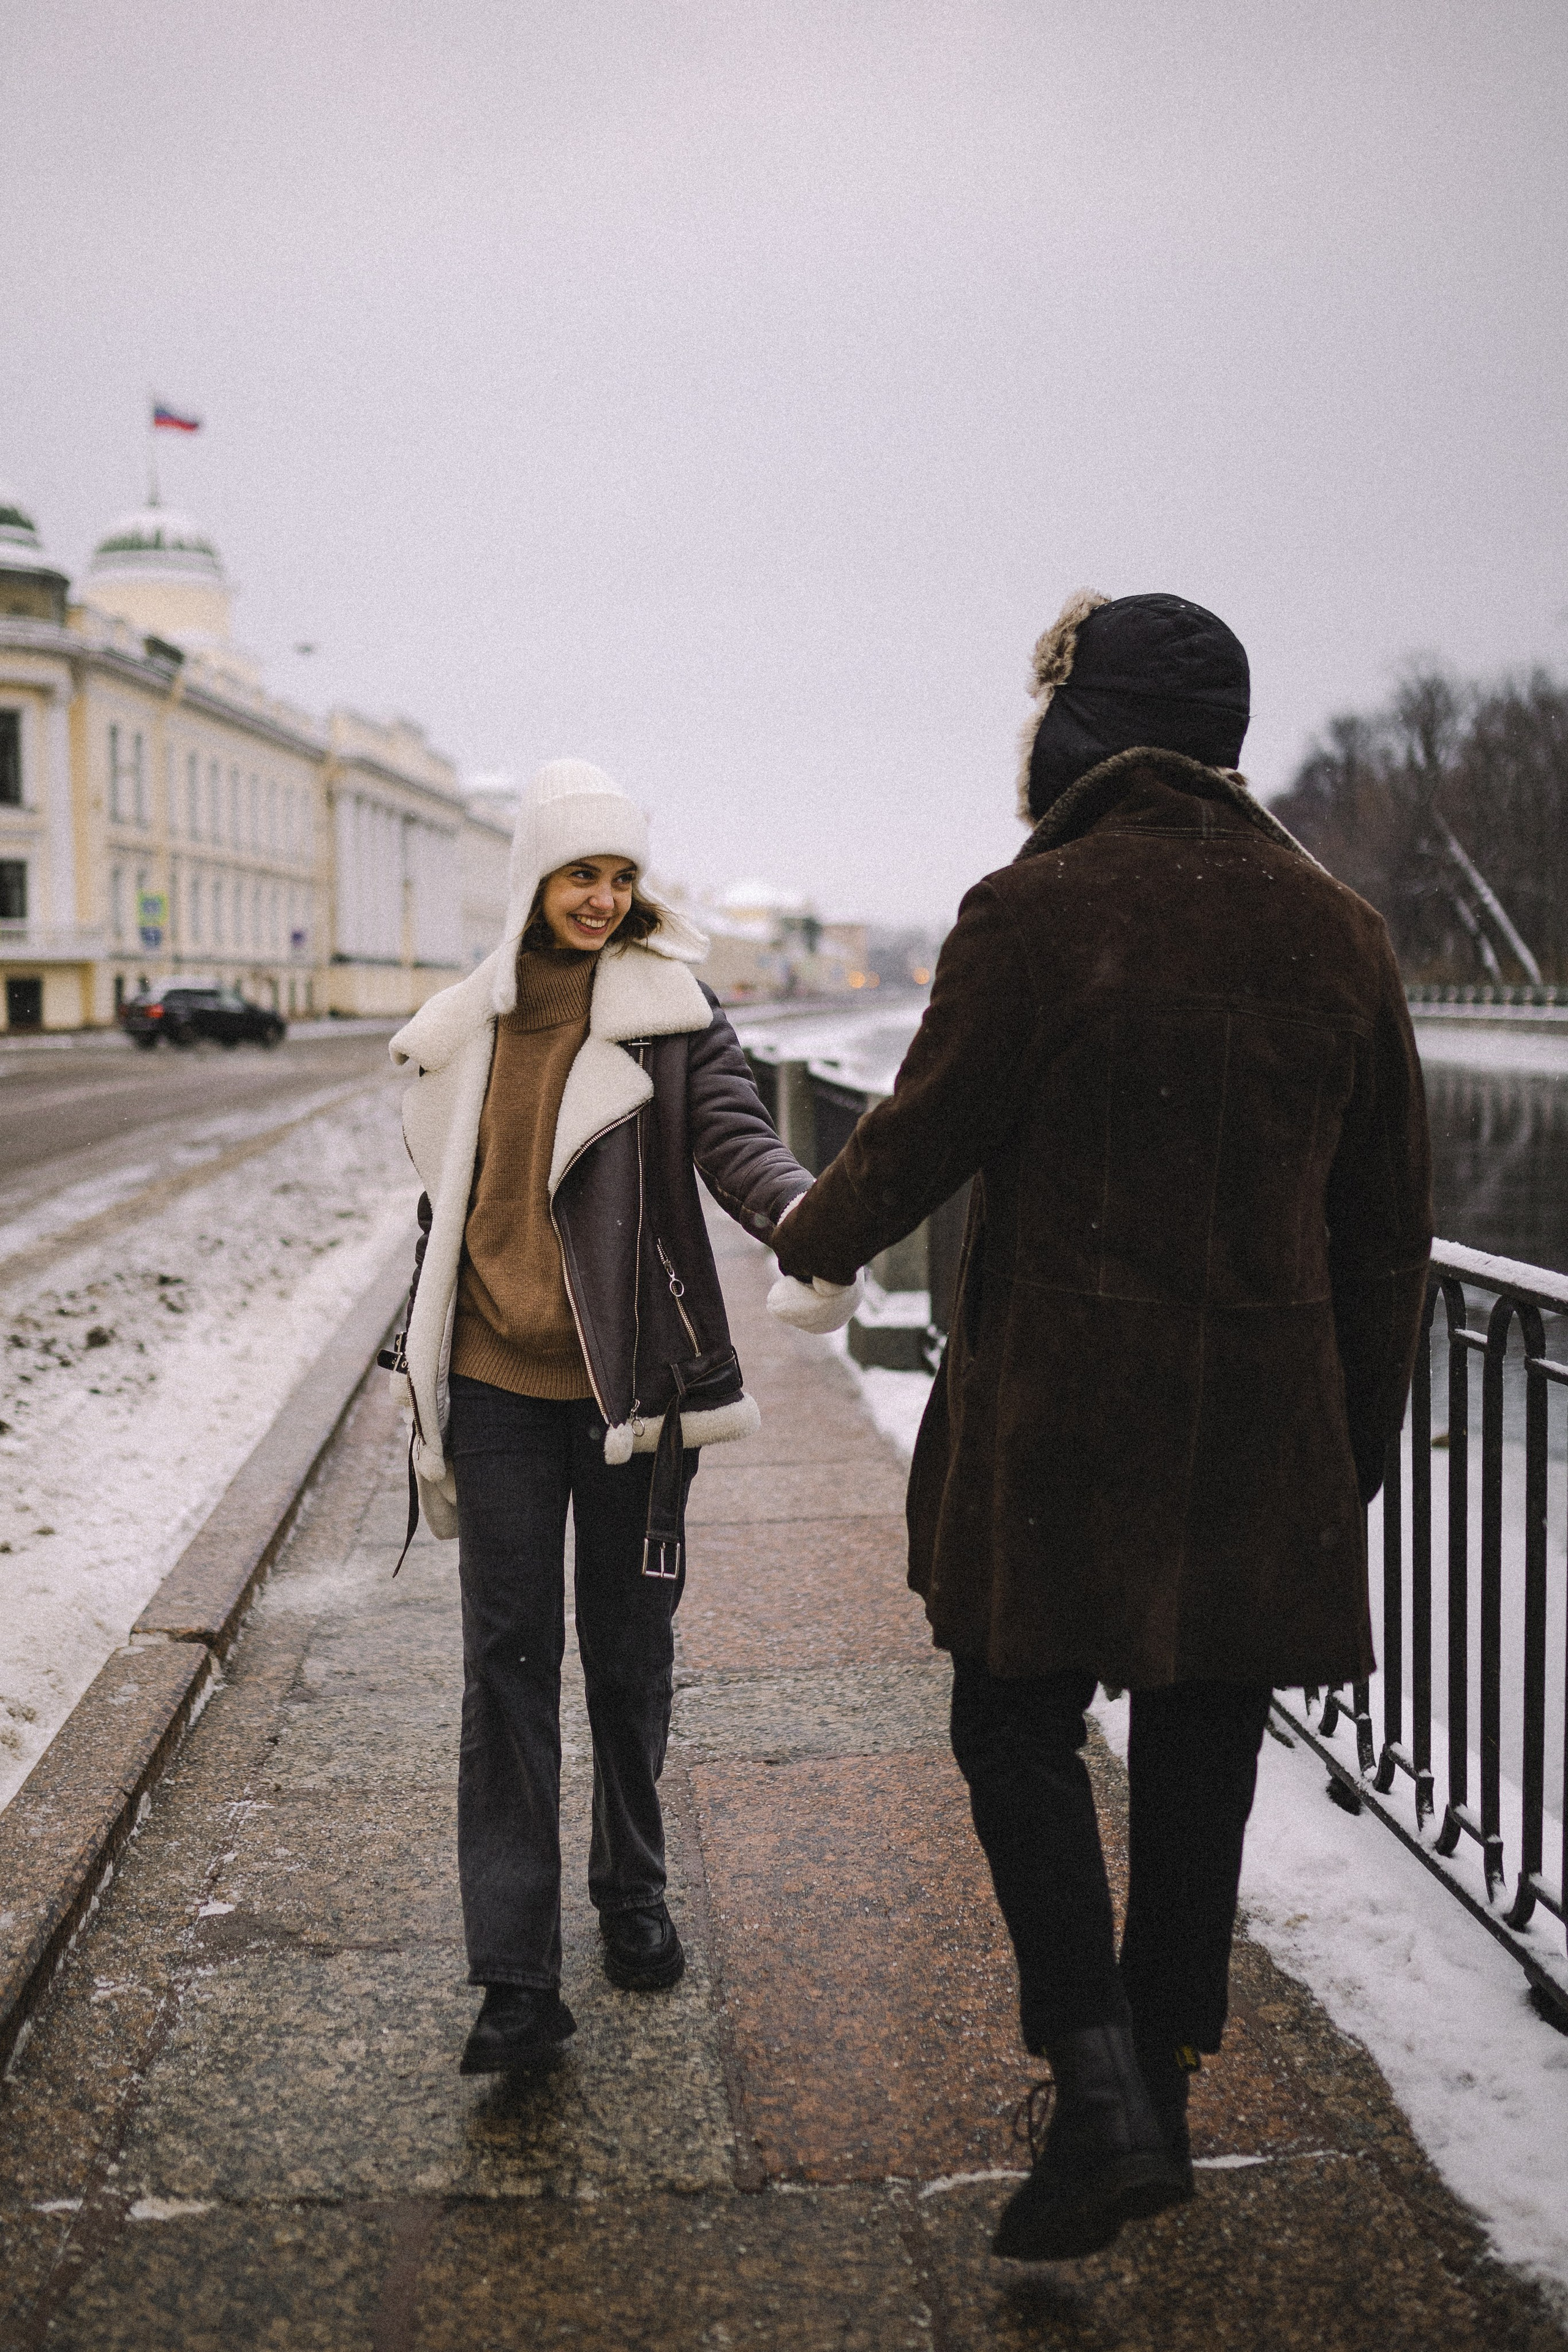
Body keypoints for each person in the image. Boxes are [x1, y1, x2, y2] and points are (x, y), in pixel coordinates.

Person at [773, 591, 1433, 2261]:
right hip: (1258, 1435)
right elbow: (1386, 1238)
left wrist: (810, 1239)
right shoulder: (1341, 933)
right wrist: (1343, 1454)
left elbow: (916, 1135)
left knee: (1013, 1724)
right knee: (1204, 1748)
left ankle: (1096, 2084)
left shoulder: (1038, 911)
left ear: (1078, 732)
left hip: (1063, 1428)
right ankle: (1165, 2083)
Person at [386, 760, 836, 2076]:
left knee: (629, 1659)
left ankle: (631, 1891)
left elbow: (739, 1143)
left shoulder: (668, 1014)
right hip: (492, 1388)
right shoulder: (471, 1021)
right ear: (534, 878)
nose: (601, 897)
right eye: (580, 873)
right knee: (506, 1666)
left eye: (620, 875)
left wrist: (811, 1220)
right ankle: (515, 1980)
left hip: (633, 1389)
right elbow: (454, 1199)